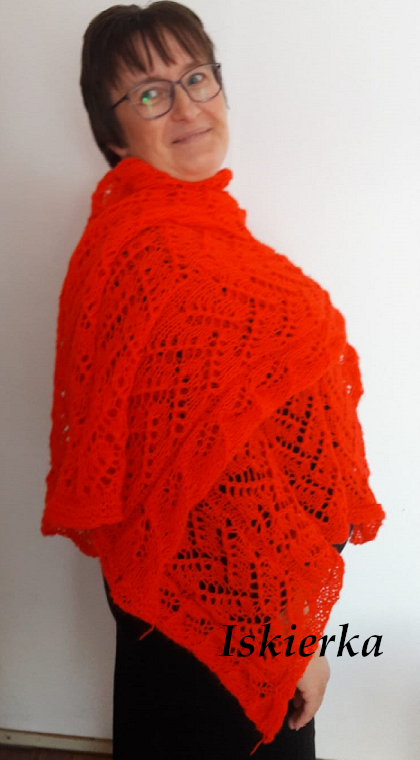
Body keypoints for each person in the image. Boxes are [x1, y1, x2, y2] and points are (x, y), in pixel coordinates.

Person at [41, 3, 385, 759]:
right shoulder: (155, 255)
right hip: (219, 611)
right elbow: (220, 483)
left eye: (197, 77)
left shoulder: (206, 229)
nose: (188, 106)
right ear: (111, 132)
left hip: (213, 598)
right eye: (151, 93)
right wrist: (285, 640)